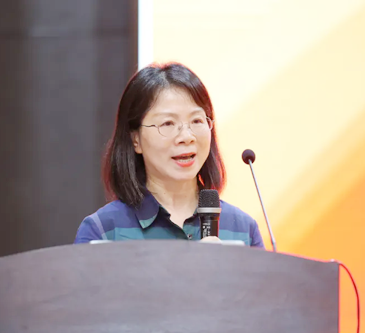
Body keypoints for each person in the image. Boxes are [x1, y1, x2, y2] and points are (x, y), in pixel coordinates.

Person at [74, 62, 264, 248]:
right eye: (168, 124)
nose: (187, 137)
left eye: (197, 121)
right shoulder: (103, 230)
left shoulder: (243, 230)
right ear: (135, 139)